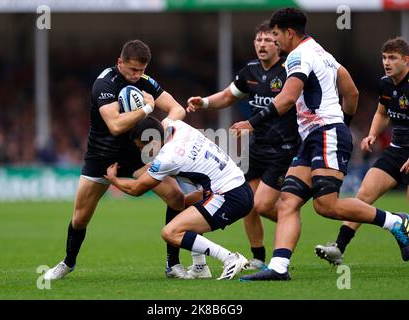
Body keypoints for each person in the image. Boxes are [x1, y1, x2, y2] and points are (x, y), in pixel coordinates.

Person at [237, 8, 409, 281]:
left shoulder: (299, 56)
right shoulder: (323, 53)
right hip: (316, 137)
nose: (275, 41)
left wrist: (252, 122)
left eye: (276, 35)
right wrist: (345, 122)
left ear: (289, 32)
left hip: (325, 134)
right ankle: (279, 268)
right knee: (288, 202)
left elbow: (287, 99)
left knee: (325, 205)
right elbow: (350, 91)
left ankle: (396, 222)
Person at [44, 39, 200, 281]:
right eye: (133, 69)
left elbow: (177, 108)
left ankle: (173, 264)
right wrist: (148, 110)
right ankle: (68, 262)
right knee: (81, 217)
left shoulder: (145, 81)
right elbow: (115, 125)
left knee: (176, 197)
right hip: (102, 156)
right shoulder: (105, 83)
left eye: (142, 70)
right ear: (120, 62)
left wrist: (164, 125)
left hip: (137, 155)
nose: (138, 75)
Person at [186, 21, 299, 270]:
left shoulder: (290, 70)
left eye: (268, 40)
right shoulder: (250, 71)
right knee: (249, 204)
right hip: (256, 149)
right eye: (258, 40)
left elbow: (290, 102)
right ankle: (258, 257)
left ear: (278, 44)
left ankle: (289, 225)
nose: (262, 44)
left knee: (261, 204)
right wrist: (203, 102)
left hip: (283, 149)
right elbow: (228, 96)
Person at [104, 116, 254, 280]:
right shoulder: (179, 126)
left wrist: (114, 180)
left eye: (142, 147)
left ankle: (230, 258)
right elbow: (168, 118)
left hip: (228, 196)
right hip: (238, 186)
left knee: (170, 233)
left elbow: (136, 189)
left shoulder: (167, 158)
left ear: (153, 141)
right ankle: (199, 267)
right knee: (179, 205)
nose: (142, 153)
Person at [315, 37, 409, 265]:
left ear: (406, 60)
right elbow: (382, 113)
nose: (387, 62)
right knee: (364, 195)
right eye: (384, 57)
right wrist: (373, 135)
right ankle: (339, 247)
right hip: (397, 150)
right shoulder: (386, 83)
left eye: (393, 58)